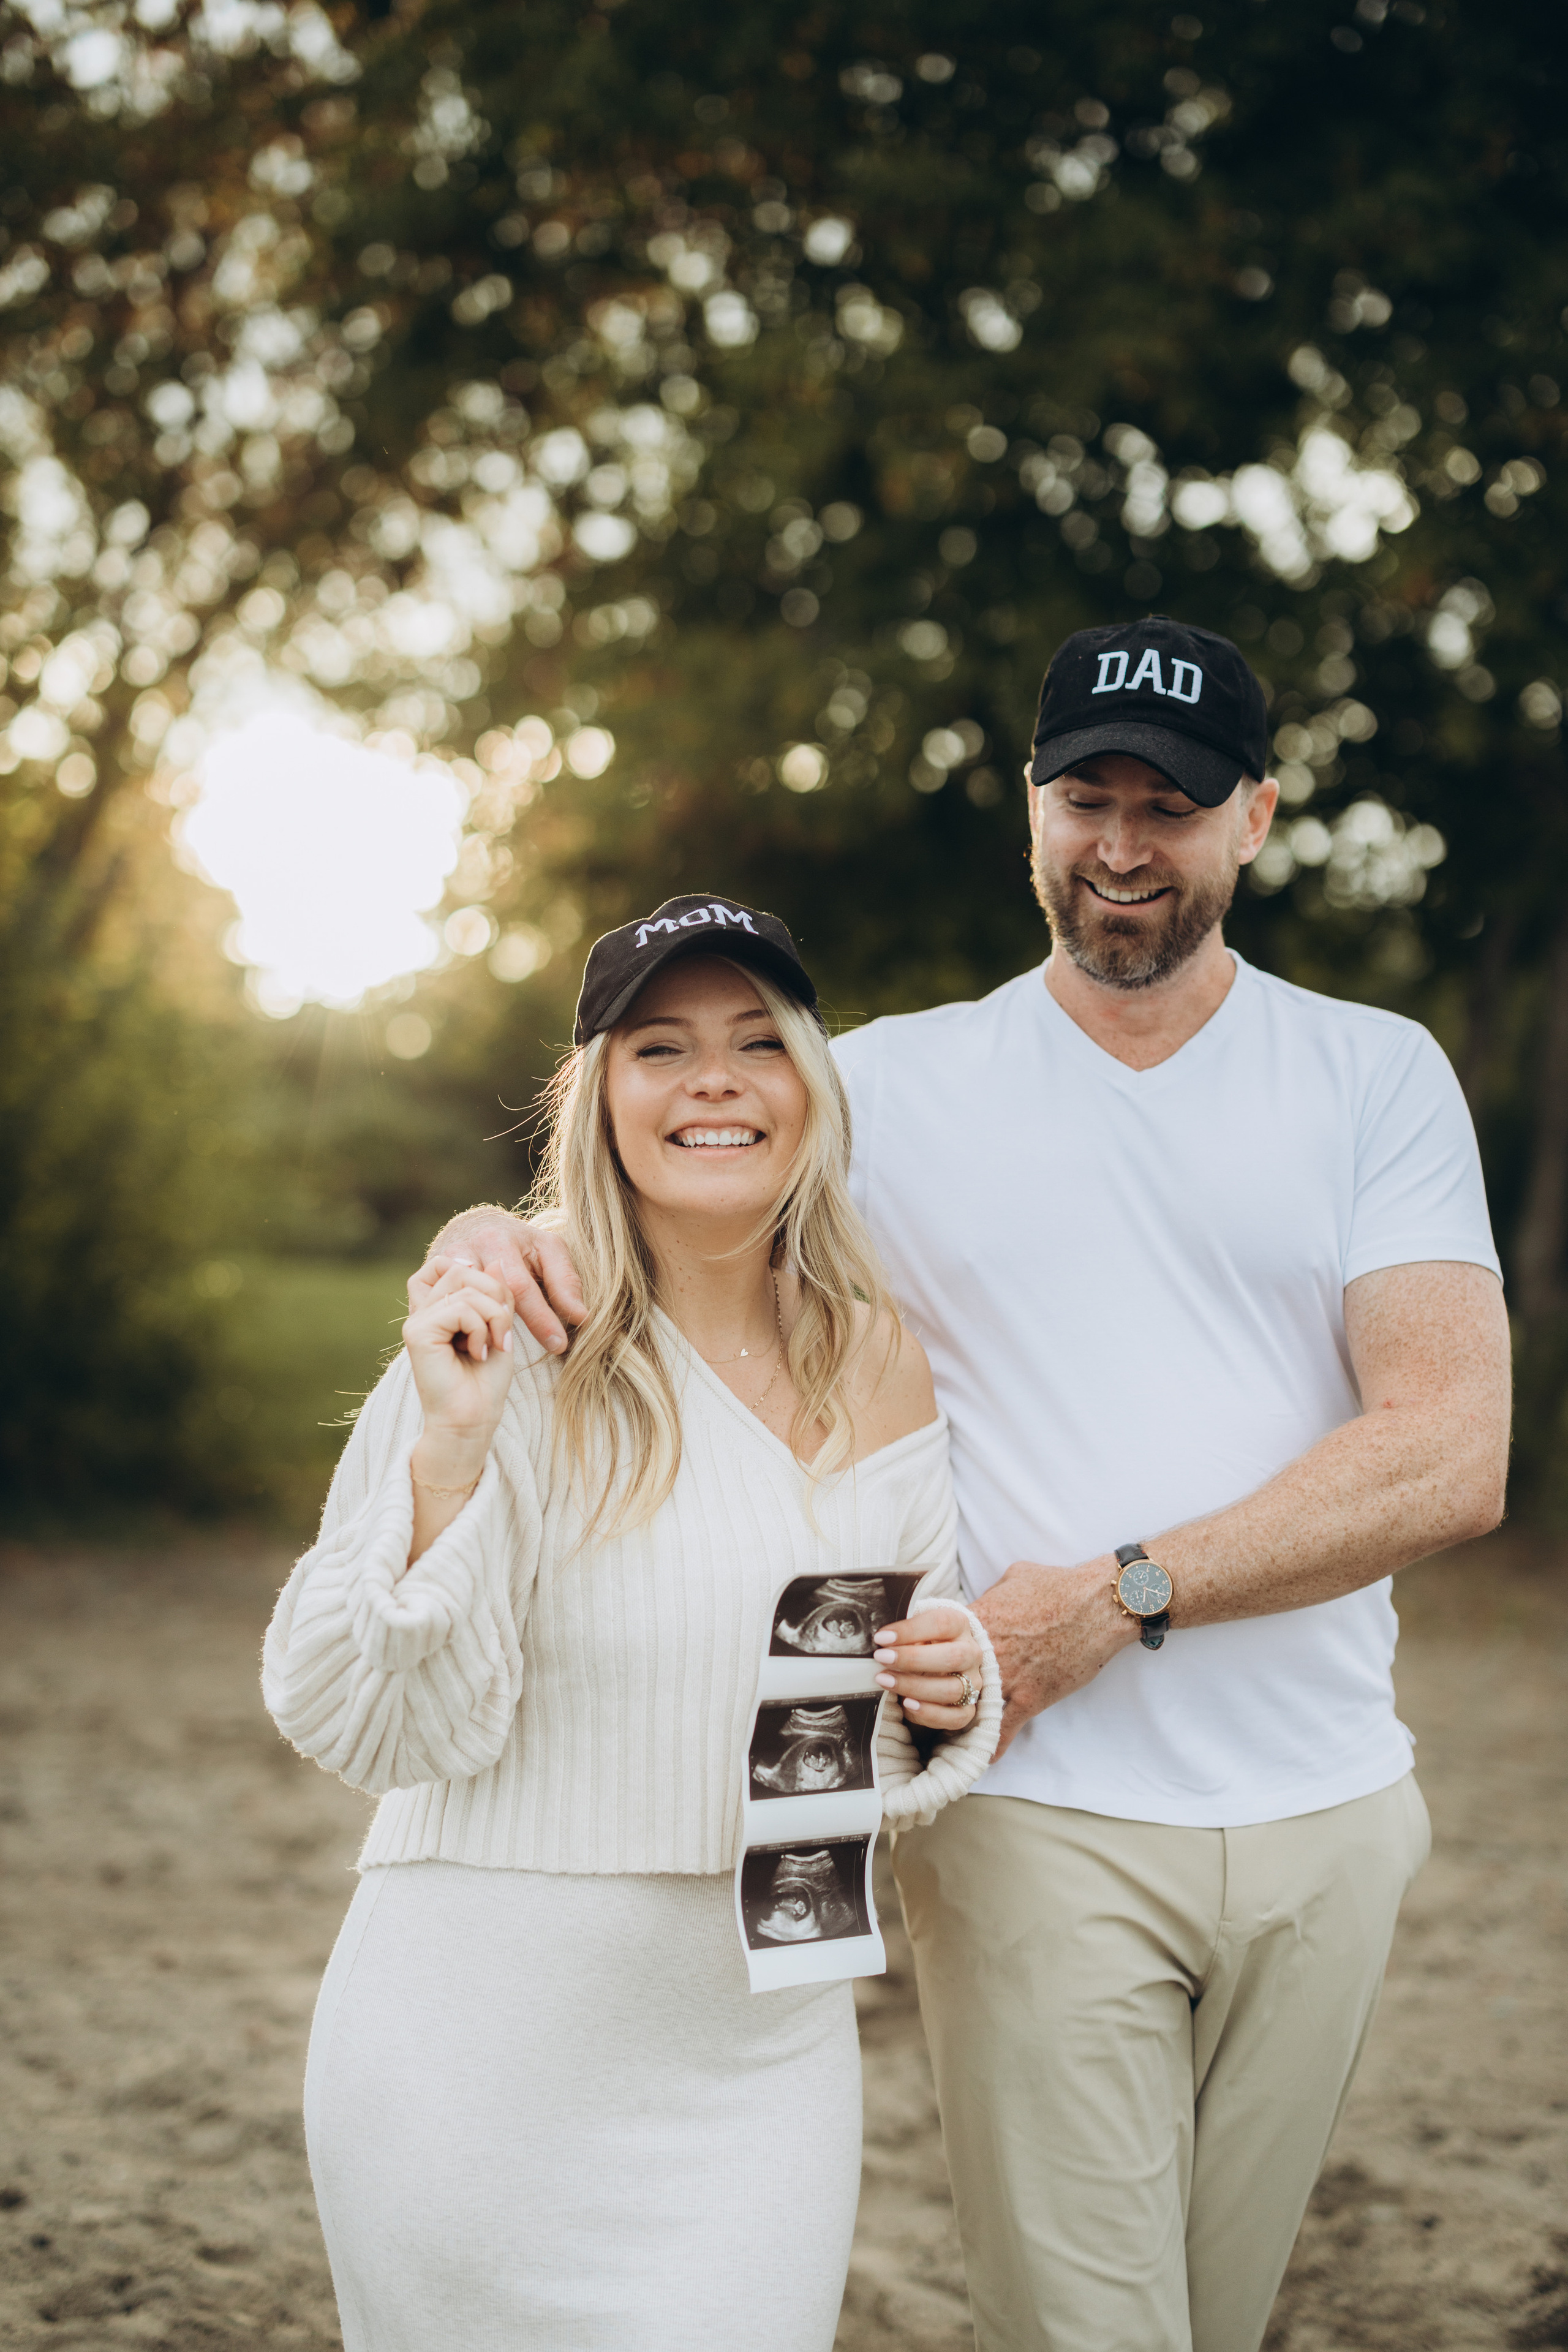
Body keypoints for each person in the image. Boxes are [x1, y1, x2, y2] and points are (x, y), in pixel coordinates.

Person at [434, 616, 1512, 2352]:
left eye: (1171, 806)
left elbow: (1450, 1450)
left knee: (1210, 2321)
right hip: (1030, 1813)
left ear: (1255, 817)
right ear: (1030, 809)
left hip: (1333, 1813)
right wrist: (497, 1235)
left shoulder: (1371, 1074)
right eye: (1085, 799)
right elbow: (661, 1207)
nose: (1120, 846)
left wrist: (1114, 1596)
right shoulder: (888, 1089)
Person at [262, 900, 1000, 2352]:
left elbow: (870, 1712)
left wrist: (946, 1690)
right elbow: (365, 1724)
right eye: (660, 1047)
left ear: (810, 1083)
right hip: (475, 2055)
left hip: (762, 2057)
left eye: (755, 1042)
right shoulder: (503, 1337)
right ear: (599, 1098)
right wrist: (447, 1456)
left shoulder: (880, 1358)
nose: (713, 1079)